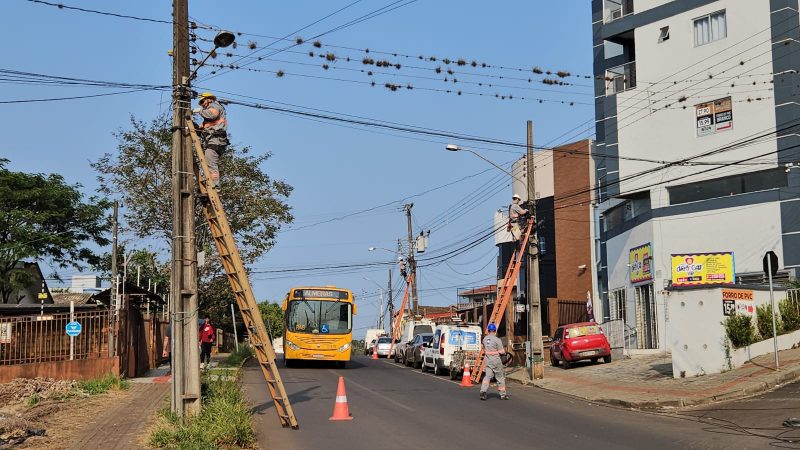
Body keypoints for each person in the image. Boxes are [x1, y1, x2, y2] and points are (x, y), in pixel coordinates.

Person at [192, 92, 228, 188]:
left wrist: (199, 111)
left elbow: (211, 115)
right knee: (208, 160)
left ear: (209, 99)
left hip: (217, 139)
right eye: (201, 103)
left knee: (210, 160)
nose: (202, 104)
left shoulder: (214, 106)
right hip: (215, 139)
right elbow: (202, 130)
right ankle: (209, 180)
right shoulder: (208, 119)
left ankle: (215, 186)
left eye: (203, 101)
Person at [480, 323, 508, 400]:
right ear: (495, 331)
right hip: (496, 361)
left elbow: (484, 349)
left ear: (488, 330)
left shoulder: (485, 339)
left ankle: (483, 391)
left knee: (487, 376)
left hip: (488, 361)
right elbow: (502, 351)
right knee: (500, 377)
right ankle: (503, 394)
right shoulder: (497, 340)